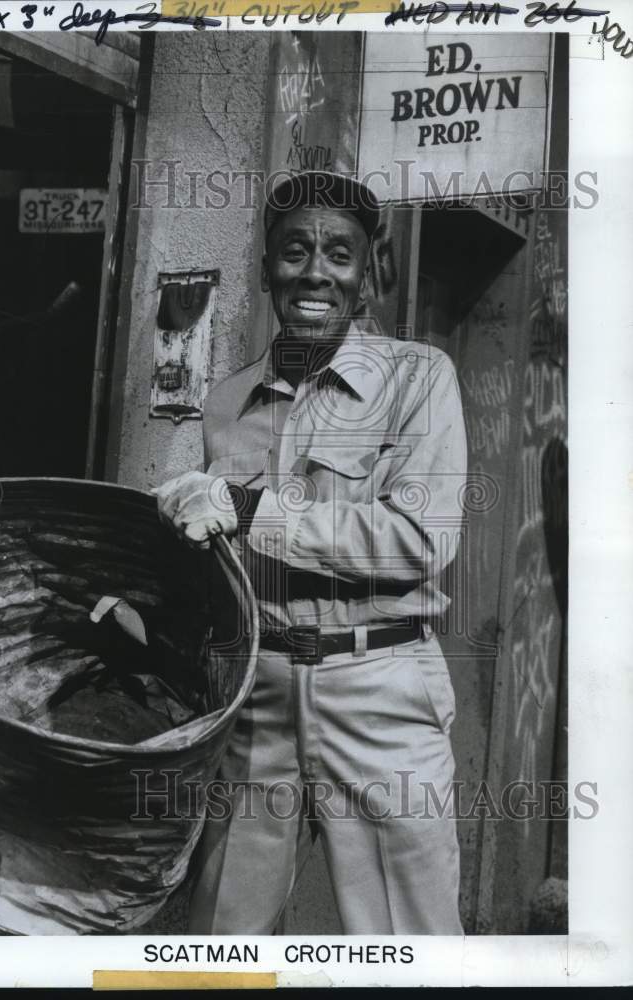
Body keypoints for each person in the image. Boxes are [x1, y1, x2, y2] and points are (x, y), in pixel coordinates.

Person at [154, 170, 467, 935]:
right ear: (267, 270)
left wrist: (252, 510)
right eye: (295, 251)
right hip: (256, 697)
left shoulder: (418, 379)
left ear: (367, 276)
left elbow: (419, 540)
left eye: (339, 254)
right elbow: (221, 556)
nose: (315, 272)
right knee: (222, 943)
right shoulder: (226, 401)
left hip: (382, 693)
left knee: (409, 948)